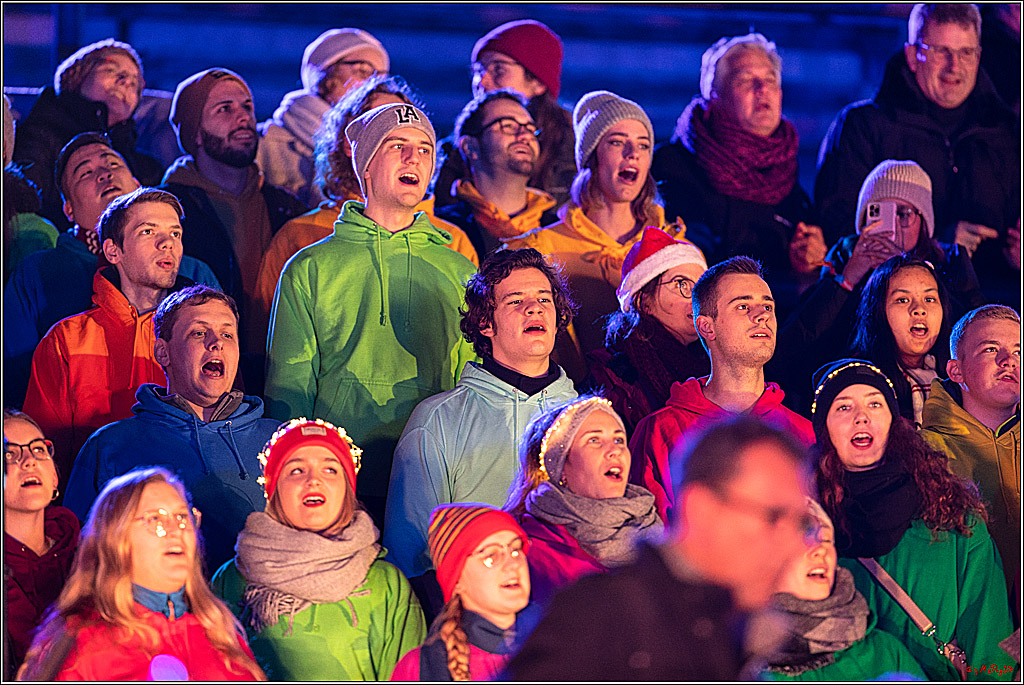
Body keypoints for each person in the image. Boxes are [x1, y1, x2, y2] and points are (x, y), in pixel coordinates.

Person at [265, 103, 478, 526]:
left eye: (424, 149)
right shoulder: (311, 267)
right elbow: (288, 387)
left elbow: (469, 386)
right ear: (365, 165)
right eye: (396, 145)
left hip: (431, 477)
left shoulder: (459, 270)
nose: (412, 158)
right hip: (335, 481)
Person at [505, 416, 813, 681]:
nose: (794, 545)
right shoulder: (600, 614)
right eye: (774, 517)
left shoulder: (742, 632)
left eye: (801, 524)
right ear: (701, 509)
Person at [383, 248, 577, 592]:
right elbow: (411, 551)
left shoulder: (587, 417)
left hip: (569, 605)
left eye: (544, 299)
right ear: (486, 323)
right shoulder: (438, 420)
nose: (534, 308)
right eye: (516, 301)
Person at [810, 358, 1015, 681]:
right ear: (825, 427)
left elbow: (990, 642)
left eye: (875, 404)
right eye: (843, 407)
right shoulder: (802, 527)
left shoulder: (953, 516)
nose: (861, 416)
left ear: (894, 420)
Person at [815, 4, 1019, 305]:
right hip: (888, 318)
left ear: (979, 55)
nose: (954, 67)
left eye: (966, 53)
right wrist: (935, 246)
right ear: (912, 56)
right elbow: (839, 232)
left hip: (997, 316)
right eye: (941, 51)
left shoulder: (1009, 134)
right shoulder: (862, 128)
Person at [65, 285, 277, 570]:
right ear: (163, 352)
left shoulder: (279, 441)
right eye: (199, 333)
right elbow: (81, 560)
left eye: (228, 334)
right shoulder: (111, 445)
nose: (217, 343)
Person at [4, 133, 219, 409]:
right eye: (86, 173)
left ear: (138, 184)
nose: (105, 174)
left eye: (114, 165)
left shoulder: (193, 272)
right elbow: (15, 377)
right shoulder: (37, 272)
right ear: (68, 208)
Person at [211, 418, 425, 681]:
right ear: (274, 489)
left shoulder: (387, 585)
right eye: (297, 470)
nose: (313, 480)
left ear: (347, 490)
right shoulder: (231, 579)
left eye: (330, 470)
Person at [253, 74, 478, 322]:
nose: (410, 153)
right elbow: (270, 338)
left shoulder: (452, 242)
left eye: (419, 141)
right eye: (381, 122)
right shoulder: (301, 237)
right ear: (352, 143)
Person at [16, 467, 265, 680]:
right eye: (155, 519)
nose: (175, 530)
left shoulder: (220, 632)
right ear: (116, 539)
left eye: (182, 517)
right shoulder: (84, 647)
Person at [506, 90, 682, 382]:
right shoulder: (540, 249)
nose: (632, 153)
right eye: (616, 142)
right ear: (591, 157)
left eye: (643, 145)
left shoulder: (677, 252)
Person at [23, 188, 191, 488]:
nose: (167, 243)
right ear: (114, 251)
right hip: (94, 516)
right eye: (148, 231)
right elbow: (48, 453)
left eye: (175, 233)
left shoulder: (202, 334)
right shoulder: (66, 341)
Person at [652, 32, 826, 315]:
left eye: (770, 80)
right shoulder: (673, 166)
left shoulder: (790, 183)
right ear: (714, 96)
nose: (762, 89)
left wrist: (811, 266)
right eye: (745, 80)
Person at [630, 256, 814, 522]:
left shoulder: (802, 433)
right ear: (706, 326)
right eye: (742, 306)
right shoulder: (660, 431)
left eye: (767, 306)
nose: (761, 315)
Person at [161, 67, 307, 384]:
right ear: (195, 133)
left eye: (246, 107)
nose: (242, 118)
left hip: (280, 367)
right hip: (206, 371)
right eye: (224, 109)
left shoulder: (286, 206)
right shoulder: (170, 211)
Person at [503, 394, 662, 607]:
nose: (615, 450)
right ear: (560, 468)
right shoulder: (526, 549)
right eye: (594, 440)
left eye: (619, 440)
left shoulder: (655, 530)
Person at [761, 498, 927, 681]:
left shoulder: (883, 653)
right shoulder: (739, 663)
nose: (822, 550)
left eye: (826, 539)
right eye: (805, 537)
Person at [11, 38, 163, 230]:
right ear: (77, 77)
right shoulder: (39, 136)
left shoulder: (149, 169)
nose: (125, 81)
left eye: (135, 83)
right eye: (111, 70)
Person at [921, 305, 1021, 588]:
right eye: (991, 349)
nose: (1008, 361)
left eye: (1018, 351)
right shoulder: (927, 454)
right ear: (956, 370)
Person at [434, 19, 575, 209]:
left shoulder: (570, 148)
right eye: (478, 70)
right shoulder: (453, 150)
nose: (481, 81)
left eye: (499, 69)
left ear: (538, 83)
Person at [587, 226, 710, 434]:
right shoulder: (612, 372)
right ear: (644, 301)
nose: (697, 298)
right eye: (682, 285)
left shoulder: (713, 362)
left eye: (702, 287)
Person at [390, 504, 532, 681]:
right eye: (491, 557)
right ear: (456, 580)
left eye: (516, 551)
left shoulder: (558, 646)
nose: (513, 565)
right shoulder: (422, 668)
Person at [257, 28, 389, 207]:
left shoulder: (381, 149)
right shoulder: (263, 145)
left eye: (380, 77)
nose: (374, 84)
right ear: (326, 72)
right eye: (364, 71)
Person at [434, 89, 558, 259]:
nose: (524, 136)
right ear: (470, 147)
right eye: (507, 125)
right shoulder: (441, 232)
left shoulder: (560, 232)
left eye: (530, 129)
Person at [4, 409, 80, 678]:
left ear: (55, 477)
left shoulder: (89, 553)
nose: (29, 461)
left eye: (38, 449)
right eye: (9, 454)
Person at [849, 254, 953, 428]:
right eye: (903, 300)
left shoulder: (956, 379)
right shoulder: (858, 381)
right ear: (878, 311)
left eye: (929, 299)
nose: (919, 309)